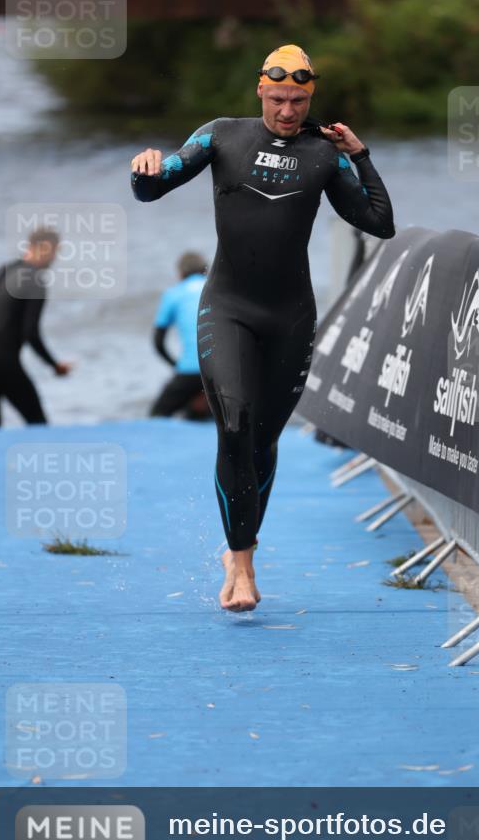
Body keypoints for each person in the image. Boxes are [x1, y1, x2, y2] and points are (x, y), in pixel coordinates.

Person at [130, 44, 394, 612]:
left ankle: (238, 550)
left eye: (298, 99)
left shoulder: (325, 155)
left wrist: (362, 154)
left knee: (263, 442)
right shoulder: (221, 136)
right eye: (278, 98)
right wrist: (146, 167)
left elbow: (380, 221)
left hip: (290, 315)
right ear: (260, 91)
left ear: (310, 96)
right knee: (235, 425)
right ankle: (243, 565)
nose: (288, 110)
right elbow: (154, 188)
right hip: (228, 306)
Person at [0, 228, 72, 430]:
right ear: (45, 248)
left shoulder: (1, 271)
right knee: (39, 425)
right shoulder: (35, 279)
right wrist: (54, 365)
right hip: (4, 364)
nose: (54, 259)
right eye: (55, 252)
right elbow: (31, 333)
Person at [150, 251, 211, 420]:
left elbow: (158, 341)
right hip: (220, 371)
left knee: (157, 415)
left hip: (189, 370)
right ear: (206, 270)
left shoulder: (173, 294)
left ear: (180, 273)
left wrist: (176, 365)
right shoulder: (216, 288)